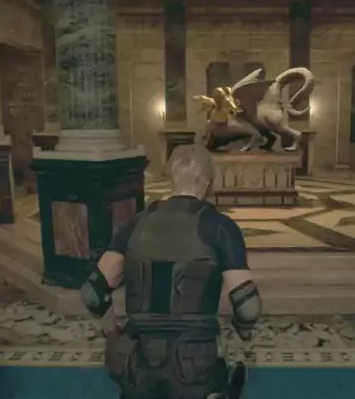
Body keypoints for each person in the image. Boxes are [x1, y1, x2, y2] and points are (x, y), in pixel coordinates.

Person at [80, 144, 262, 399]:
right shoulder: (220, 227)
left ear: (171, 178)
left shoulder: (136, 223)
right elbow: (248, 307)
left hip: (137, 364)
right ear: (208, 181)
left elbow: (93, 293)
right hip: (195, 366)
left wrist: (112, 335)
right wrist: (243, 333)